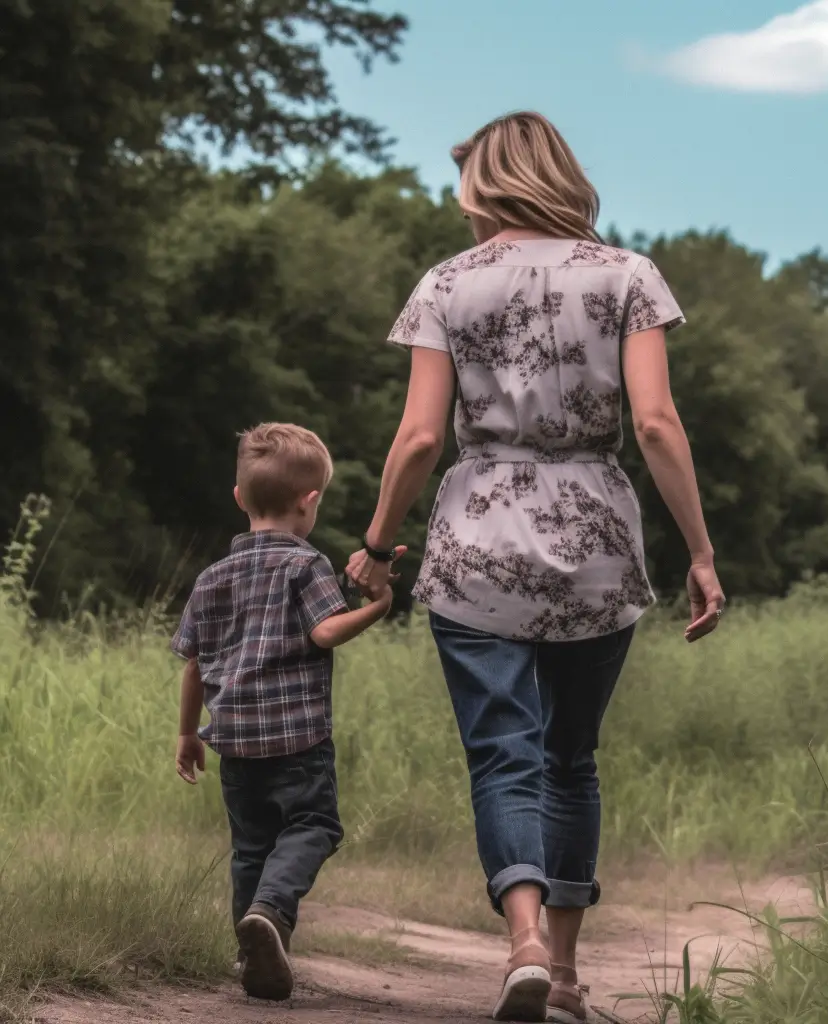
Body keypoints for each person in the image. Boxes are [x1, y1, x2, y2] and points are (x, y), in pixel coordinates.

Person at [345, 111, 725, 1023]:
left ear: (487, 183)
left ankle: (516, 939)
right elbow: (658, 425)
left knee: (501, 755)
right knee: (570, 759)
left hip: (477, 540)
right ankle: (560, 971)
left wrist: (376, 542)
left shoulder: (447, 284)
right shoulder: (627, 275)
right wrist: (702, 552)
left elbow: (422, 436)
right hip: (595, 541)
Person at [171, 423, 399, 1003]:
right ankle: (270, 915)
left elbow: (194, 664)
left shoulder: (210, 578)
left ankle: (254, 946)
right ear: (310, 501)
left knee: (251, 847)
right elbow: (324, 631)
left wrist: (186, 734)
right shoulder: (305, 565)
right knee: (314, 825)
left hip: (234, 741)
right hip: (297, 739)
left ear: (240, 497)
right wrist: (379, 606)